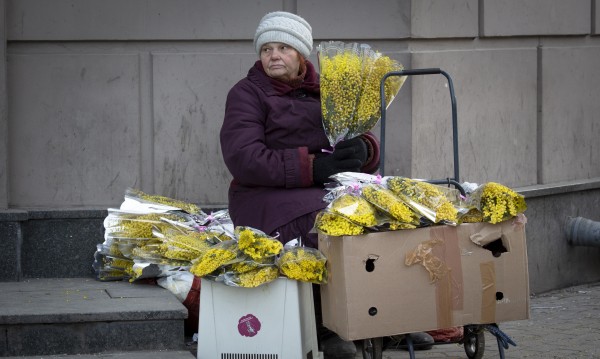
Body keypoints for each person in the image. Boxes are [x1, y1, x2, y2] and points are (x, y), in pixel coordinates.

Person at [219, 11, 434, 357]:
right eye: (267, 49)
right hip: (264, 198)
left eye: (284, 48)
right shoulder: (246, 94)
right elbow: (244, 159)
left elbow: (354, 135)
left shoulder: (329, 90)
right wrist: (312, 167)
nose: (274, 56)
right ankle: (326, 325)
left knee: (384, 219)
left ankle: (383, 319)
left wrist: (365, 149)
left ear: (302, 54)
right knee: (322, 226)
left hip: (325, 189)